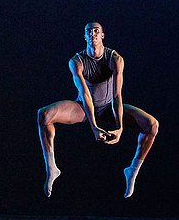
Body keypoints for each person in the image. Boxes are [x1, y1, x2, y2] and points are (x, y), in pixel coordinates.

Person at [37, 22, 159, 198]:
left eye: (96, 31)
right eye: (89, 31)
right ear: (84, 36)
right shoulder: (76, 61)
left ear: (102, 35)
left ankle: (132, 170)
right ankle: (52, 168)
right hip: (83, 108)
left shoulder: (115, 58)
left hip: (109, 107)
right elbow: (85, 95)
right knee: (44, 114)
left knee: (152, 125)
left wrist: (120, 127)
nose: (93, 34)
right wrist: (94, 126)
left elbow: (117, 95)